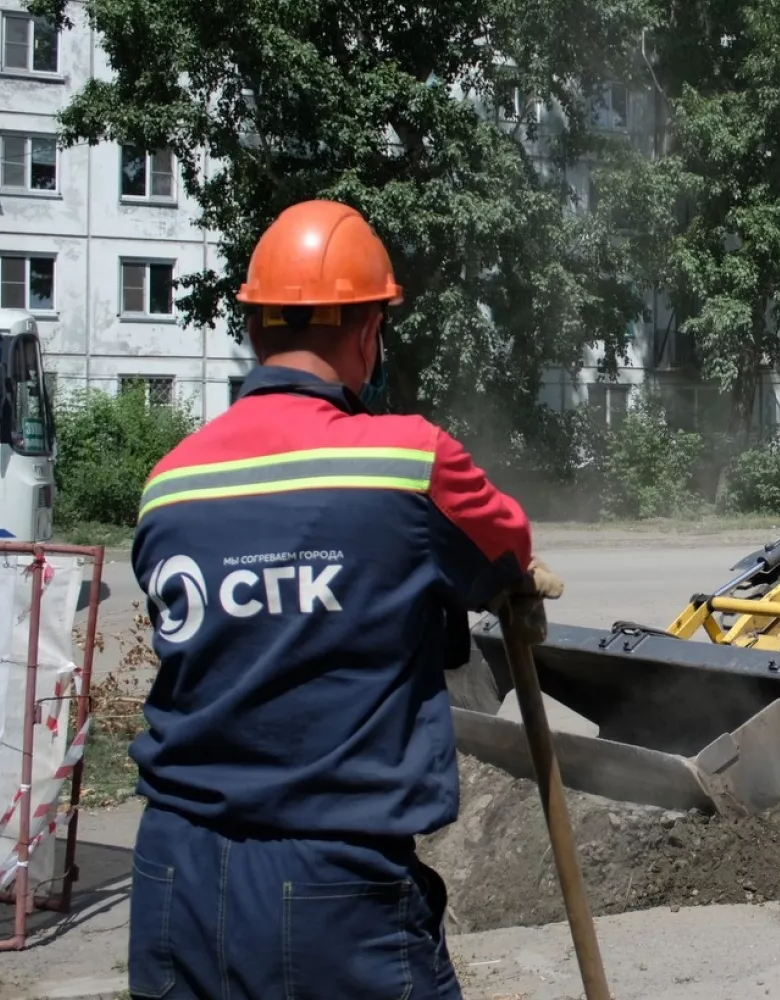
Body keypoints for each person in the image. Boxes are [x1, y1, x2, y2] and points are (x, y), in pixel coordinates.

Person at [125, 199, 559, 1000]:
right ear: (368, 333)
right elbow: (507, 549)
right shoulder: (408, 461)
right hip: (330, 882)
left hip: (172, 877)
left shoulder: (169, 482)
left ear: (254, 329)